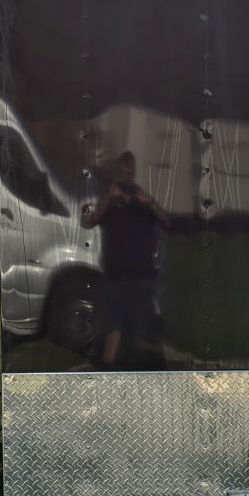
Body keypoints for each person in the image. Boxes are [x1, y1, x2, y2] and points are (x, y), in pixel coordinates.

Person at [82, 151, 170, 369]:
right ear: (118, 173)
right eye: (122, 172)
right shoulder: (110, 203)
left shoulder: (143, 201)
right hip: (114, 275)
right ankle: (107, 368)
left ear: (134, 173)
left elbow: (167, 221)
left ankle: (155, 366)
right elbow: (88, 221)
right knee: (114, 325)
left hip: (140, 276)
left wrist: (148, 201)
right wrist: (109, 199)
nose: (126, 178)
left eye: (129, 172)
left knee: (143, 328)